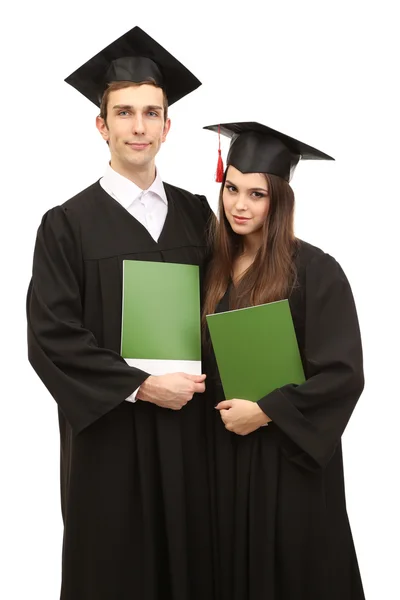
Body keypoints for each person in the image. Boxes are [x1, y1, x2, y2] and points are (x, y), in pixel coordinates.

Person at [27, 26, 215, 600]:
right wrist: (140, 386)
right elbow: (52, 338)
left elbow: (230, 309)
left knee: (195, 564)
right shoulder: (67, 224)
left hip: (192, 436)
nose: (139, 126)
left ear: (167, 124)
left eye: (152, 113)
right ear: (102, 124)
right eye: (125, 112)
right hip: (110, 439)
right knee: (114, 568)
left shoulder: (198, 216)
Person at [202, 121, 365, 600]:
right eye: (232, 188)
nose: (240, 204)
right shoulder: (208, 268)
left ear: (280, 200)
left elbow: (343, 374)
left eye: (257, 194)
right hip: (223, 458)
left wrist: (266, 410)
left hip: (287, 465)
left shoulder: (315, 270)